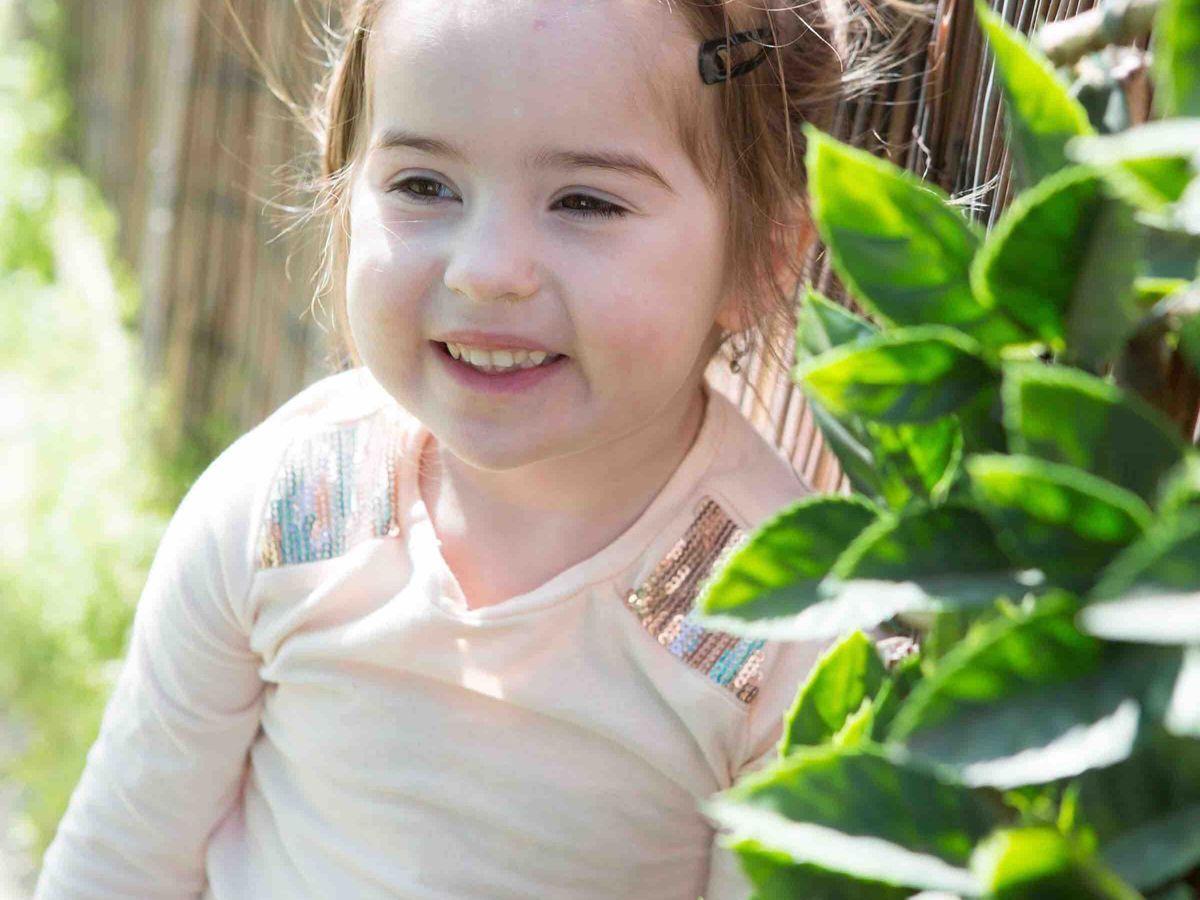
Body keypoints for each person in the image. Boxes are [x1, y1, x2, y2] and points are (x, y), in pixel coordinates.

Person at [35, 0, 879, 896]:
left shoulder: (783, 621)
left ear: (762, 258)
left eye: (585, 201)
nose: (485, 269)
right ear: (344, 182)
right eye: (424, 186)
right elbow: (116, 864)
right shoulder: (282, 511)